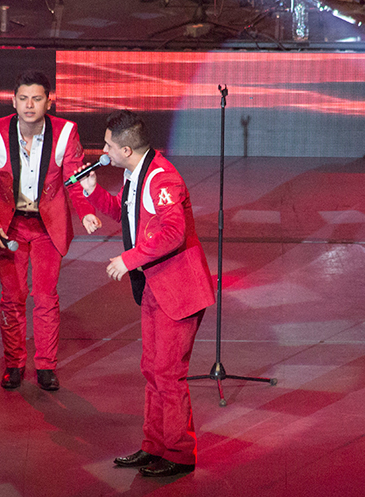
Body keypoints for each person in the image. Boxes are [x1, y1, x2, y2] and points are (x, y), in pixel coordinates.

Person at [74, 110, 215, 477]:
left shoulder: (161, 178)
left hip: (178, 289)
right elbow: (128, 215)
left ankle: (180, 453)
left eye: (107, 145)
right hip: (156, 286)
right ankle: (154, 445)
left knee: (169, 373)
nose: (102, 151)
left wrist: (129, 258)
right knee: (152, 370)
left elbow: (173, 232)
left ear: (124, 148)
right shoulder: (133, 173)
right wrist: (93, 194)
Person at [0, 70, 101, 391]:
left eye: (37, 98)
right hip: (8, 227)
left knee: (45, 298)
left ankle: (46, 366)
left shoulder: (66, 132)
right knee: (12, 298)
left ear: (49, 101)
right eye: (24, 98)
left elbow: (74, 179)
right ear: (13, 101)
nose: (30, 105)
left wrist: (86, 213)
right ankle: (14, 363)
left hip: (47, 227)